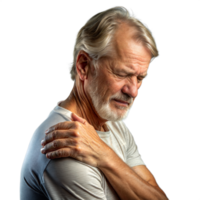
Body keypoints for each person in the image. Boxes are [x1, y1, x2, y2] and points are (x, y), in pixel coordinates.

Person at [19, 5, 169, 200]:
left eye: (140, 78)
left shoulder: (115, 127)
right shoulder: (64, 144)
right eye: (122, 74)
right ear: (84, 66)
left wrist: (107, 157)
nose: (132, 91)